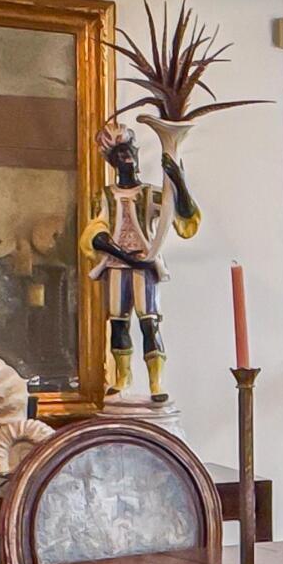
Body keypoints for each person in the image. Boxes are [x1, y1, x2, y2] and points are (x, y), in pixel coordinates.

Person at [85, 121, 200, 399]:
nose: (128, 158)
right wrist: (124, 256)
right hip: (116, 267)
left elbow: (183, 216)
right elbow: (95, 234)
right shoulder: (105, 196)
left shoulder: (150, 194)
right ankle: (122, 378)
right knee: (118, 322)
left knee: (149, 322)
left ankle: (156, 383)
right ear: (112, 161)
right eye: (121, 154)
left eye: (130, 152)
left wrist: (179, 181)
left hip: (146, 267)